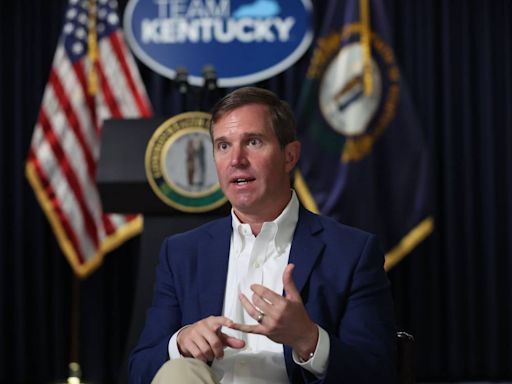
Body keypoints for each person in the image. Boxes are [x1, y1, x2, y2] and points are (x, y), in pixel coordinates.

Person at [129, 87, 397, 383]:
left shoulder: (351, 252)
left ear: (289, 155)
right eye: (223, 146)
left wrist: (308, 339)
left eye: (253, 142)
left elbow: (377, 374)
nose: (236, 160)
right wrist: (180, 343)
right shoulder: (182, 253)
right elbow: (140, 370)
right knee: (179, 371)